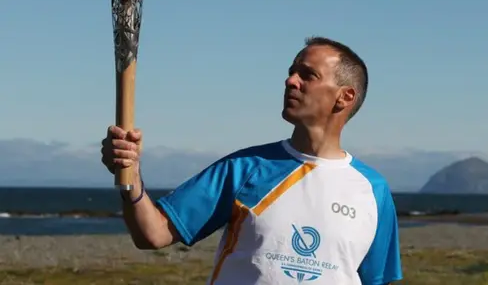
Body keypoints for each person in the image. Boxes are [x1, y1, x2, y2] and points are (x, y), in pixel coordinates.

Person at [100, 36, 403, 285]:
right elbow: (154, 233)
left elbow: (377, 280)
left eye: (308, 75)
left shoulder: (372, 191)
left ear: (345, 97)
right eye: (292, 71)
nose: (290, 81)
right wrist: (131, 179)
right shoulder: (245, 168)